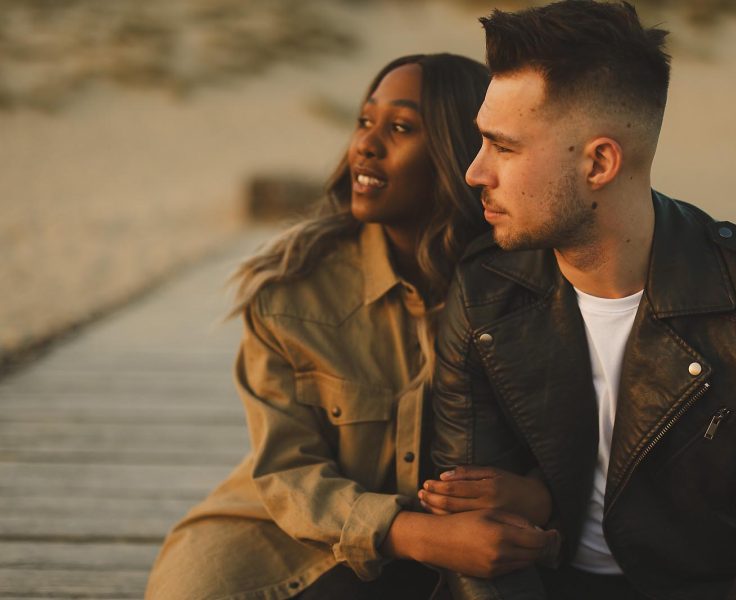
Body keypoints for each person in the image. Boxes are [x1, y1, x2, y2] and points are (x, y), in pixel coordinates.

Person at [422, 2, 736, 599]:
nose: (475, 172)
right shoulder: (487, 289)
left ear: (599, 162)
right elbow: (473, 534)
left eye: (504, 148)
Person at [145, 53, 557, 600]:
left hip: (487, 553)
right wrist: (424, 536)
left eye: (401, 127)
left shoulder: (537, 288)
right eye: (365, 121)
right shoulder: (291, 293)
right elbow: (288, 474)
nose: (366, 143)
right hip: (299, 544)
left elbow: (596, 444)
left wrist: (539, 498)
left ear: (462, 152)